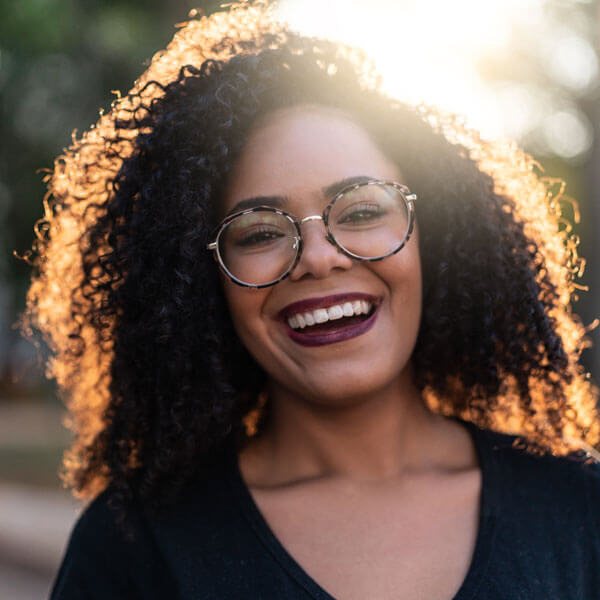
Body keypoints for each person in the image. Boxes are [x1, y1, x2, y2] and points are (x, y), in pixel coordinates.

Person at [23, 3, 600, 599]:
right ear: (198, 283)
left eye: (362, 211)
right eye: (261, 233)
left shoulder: (580, 511)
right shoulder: (136, 547)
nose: (319, 257)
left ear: (442, 236)